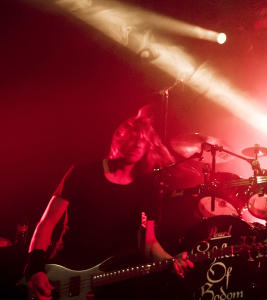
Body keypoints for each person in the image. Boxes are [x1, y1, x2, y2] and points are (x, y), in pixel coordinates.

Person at [23, 106, 193, 300]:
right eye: (132, 137)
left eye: (143, 140)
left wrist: (172, 261)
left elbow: (149, 243)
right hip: (69, 272)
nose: (137, 144)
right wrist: (35, 269)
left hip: (114, 282)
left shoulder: (148, 187)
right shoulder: (82, 173)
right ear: (118, 137)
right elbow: (47, 223)